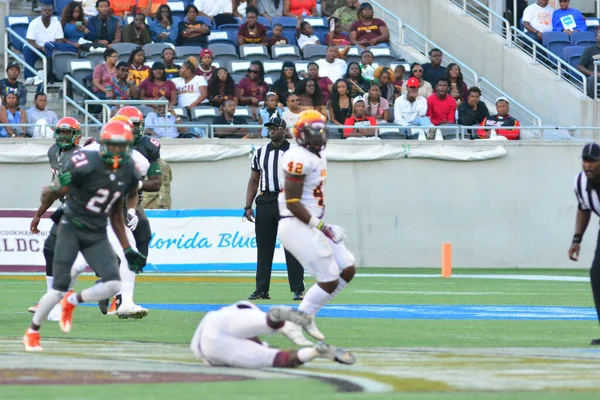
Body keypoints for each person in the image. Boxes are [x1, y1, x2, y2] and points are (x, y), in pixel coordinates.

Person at [23, 120, 145, 351]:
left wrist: (128, 249)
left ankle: (72, 302)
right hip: (71, 225)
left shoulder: (129, 169)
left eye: (122, 145)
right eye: (113, 145)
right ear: (104, 144)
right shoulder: (85, 162)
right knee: (58, 286)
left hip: (97, 229)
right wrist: (49, 195)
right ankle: (33, 331)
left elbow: (116, 215)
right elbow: (55, 190)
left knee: (112, 284)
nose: (118, 151)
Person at [277, 110, 357, 346]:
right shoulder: (297, 157)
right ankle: (294, 322)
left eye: (322, 130)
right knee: (329, 279)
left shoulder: (318, 153)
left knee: (347, 268)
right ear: (301, 135)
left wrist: (321, 224)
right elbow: (292, 203)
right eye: (314, 132)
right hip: (295, 223)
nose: (320, 136)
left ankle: (306, 315)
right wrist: (322, 226)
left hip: (312, 222)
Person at [245, 117, 305, 301]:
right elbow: (254, 180)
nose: (271, 131)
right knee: (264, 247)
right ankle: (261, 289)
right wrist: (248, 205)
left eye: (275, 128)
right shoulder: (261, 153)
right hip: (265, 200)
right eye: (269, 128)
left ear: (283, 130)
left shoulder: (295, 153)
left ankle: (298, 288)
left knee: (292, 246)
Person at [108, 106, 162, 313]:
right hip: (106, 203)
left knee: (143, 235)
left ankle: (119, 290)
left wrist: (133, 185)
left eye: (136, 125)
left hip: (131, 199)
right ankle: (114, 291)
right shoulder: (101, 144)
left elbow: (156, 183)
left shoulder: (147, 148)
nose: (131, 129)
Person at [190, 301, 355, 367]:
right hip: (219, 324)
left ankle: (315, 351)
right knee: (264, 328)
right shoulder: (233, 310)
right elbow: (244, 310)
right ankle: (274, 318)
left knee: (277, 359)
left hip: (210, 344)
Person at [27, 117, 81, 316]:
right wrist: (38, 214)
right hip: (67, 206)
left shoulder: (79, 156)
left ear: (76, 136)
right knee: (52, 249)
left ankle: (57, 298)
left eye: (68, 133)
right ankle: (54, 297)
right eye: (61, 132)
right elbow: (54, 186)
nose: (64, 137)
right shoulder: (54, 151)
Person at [568, 142, 600, 345]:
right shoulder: (580, 182)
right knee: (596, 275)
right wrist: (577, 238)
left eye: (593, 161)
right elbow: (584, 208)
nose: (588, 165)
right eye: (585, 161)